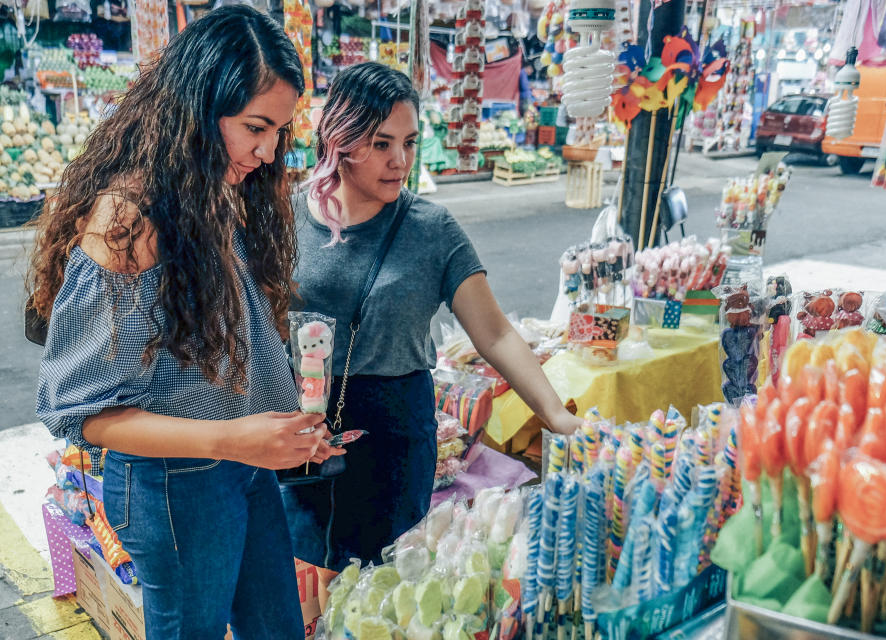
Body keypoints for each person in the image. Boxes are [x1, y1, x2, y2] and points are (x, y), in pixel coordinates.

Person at [27, 6, 342, 638]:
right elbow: (83, 411)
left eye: (279, 129)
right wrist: (234, 439)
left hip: (243, 471)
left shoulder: (219, 187)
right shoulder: (131, 219)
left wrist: (276, 427)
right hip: (178, 487)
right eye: (256, 126)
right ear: (197, 107)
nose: (269, 149)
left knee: (277, 625)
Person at [283, 61, 582, 600]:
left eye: (409, 142)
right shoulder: (287, 218)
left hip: (395, 430)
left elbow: (495, 335)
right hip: (301, 428)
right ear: (339, 140)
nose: (400, 161)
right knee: (305, 573)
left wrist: (556, 415)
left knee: (384, 586)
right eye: (380, 143)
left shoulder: (431, 230)